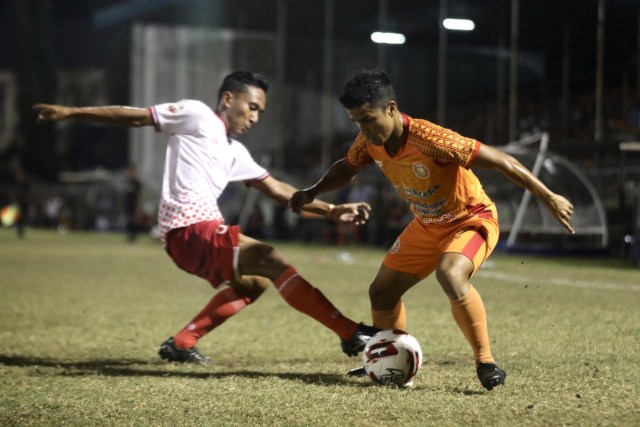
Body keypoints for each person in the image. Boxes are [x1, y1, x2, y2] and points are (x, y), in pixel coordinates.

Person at [33, 71, 378, 365]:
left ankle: (182, 342)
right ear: (228, 99)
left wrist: (332, 210)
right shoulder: (197, 115)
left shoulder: (235, 151)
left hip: (196, 233)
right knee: (271, 259)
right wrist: (72, 112)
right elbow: (136, 116)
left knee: (255, 281)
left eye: (260, 112)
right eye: (252, 107)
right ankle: (349, 332)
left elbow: (279, 191)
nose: (255, 117)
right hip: (190, 227)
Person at [289, 69, 575, 390]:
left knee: (450, 273)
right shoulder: (369, 142)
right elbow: (346, 167)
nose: (364, 129)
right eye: (357, 122)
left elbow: (501, 161)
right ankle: (391, 363)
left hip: (471, 219)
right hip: (426, 226)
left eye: (368, 119)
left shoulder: (431, 138)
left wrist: (548, 196)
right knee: (381, 293)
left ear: (392, 109)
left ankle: (485, 361)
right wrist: (312, 192)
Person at [122, 164, 142, 242]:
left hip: (134, 204)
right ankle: (129, 236)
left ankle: (134, 236)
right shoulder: (126, 182)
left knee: (134, 221)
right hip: (127, 204)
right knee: (128, 220)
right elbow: (123, 195)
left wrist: (139, 206)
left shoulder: (137, 183)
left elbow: (139, 195)